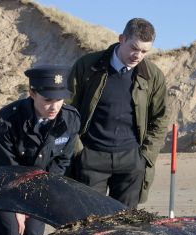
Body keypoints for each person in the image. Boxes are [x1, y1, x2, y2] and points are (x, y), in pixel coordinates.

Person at [68, 17, 168, 208]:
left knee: (125, 225)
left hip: (131, 160)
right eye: (134, 48)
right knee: (89, 222)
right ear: (122, 39)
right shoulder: (87, 66)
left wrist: (145, 156)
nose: (138, 55)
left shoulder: (152, 75)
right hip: (91, 156)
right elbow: (68, 110)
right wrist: (79, 151)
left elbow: (161, 118)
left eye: (144, 51)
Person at [0, 65, 80, 235]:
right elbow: (7, 167)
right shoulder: (6, 120)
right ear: (32, 93)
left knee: (34, 234)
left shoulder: (71, 119)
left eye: (59, 100)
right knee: (9, 234)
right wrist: (18, 206)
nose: (54, 107)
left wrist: (37, 199)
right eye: (48, 100)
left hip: (40, 180)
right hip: (3, 180)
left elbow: (61, 161)